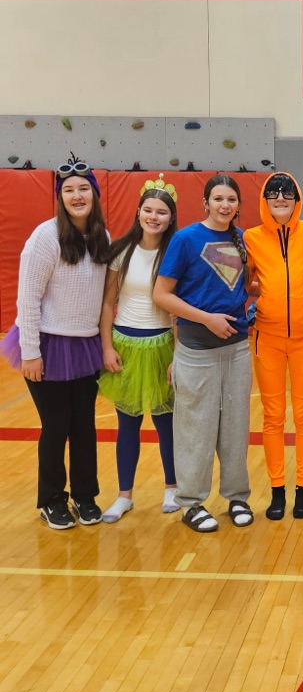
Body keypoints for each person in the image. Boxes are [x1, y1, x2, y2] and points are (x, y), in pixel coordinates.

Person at [1, 156, 109, 529]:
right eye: (69, 190)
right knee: (56, 425)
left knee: (84, 427)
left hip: (84, 346)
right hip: (47, 345)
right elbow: (27, 299)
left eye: (83, 189)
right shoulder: (45, 238)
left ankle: (85, 496)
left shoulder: (103, 238)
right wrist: (31, 352)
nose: (77, 196)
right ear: (60, 197)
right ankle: (51, 499)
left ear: (95, 194)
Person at [152, 174, 253, 533]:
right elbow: (162, 295)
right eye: (218, 199)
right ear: (206, 202)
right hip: (197, 351)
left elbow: (242, 286)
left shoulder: (243, 239)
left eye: (231, 199)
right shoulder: (185, 239)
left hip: (237, 349)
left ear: (238, 205)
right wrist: (206, 319)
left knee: (235, 428)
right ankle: (191, 502)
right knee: (195, 429)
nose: (225, 205)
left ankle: (237, 496)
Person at [243, 172, 303, 520]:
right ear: (264, 199)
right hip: (268, 339)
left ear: (297, 199)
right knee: (273, 417)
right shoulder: (250, 238)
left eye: (287, 193)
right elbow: (242, 283)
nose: (280, 198)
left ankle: (302, 490)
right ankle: (278, 491)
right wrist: (263, 298)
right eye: (274, 193)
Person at [98, 177, 179, 523]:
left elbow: (176, 310)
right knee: (127, 423)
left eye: (161, 212)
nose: (154, 217)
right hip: (126, 345)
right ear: (138, 212)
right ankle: (124, 495)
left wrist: (177, 356)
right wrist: (106, 347)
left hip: (162, 345)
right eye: (148, 210)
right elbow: (107, 303)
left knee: (166, 422)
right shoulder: (121, 251)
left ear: (171, 218)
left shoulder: (175, 252)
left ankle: (172, 488)